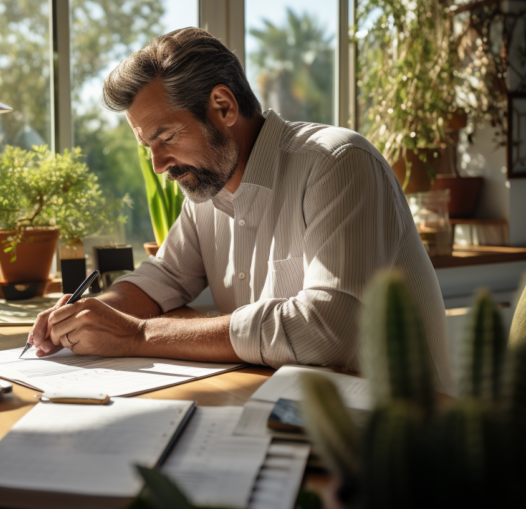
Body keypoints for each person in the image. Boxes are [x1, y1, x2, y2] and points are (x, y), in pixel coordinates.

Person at [28, 27, 454, 394]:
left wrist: (136, 334)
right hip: (290, 408)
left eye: (167, 137)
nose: (159, 166)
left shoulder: (337, 163)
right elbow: (165, 277)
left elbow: (327, 330)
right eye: (149, 147)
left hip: (399, 434)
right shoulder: (206, 189)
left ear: (224, 106)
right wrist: (91, 315)